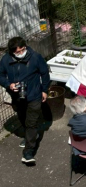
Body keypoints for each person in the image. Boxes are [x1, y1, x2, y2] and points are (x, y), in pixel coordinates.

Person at [0, 36, 50, 165]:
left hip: (34, 95)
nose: (21, 53)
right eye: (17, 52)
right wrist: (8, 85)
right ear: (12, 52)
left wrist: (44, 90)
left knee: (31, 123)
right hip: (17, 96)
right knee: (22, 116)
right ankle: (30, 136)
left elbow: (45, 73)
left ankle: (28, 152)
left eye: (23, 50)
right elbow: (0, 75)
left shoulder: (35, 57)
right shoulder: (6, 60)